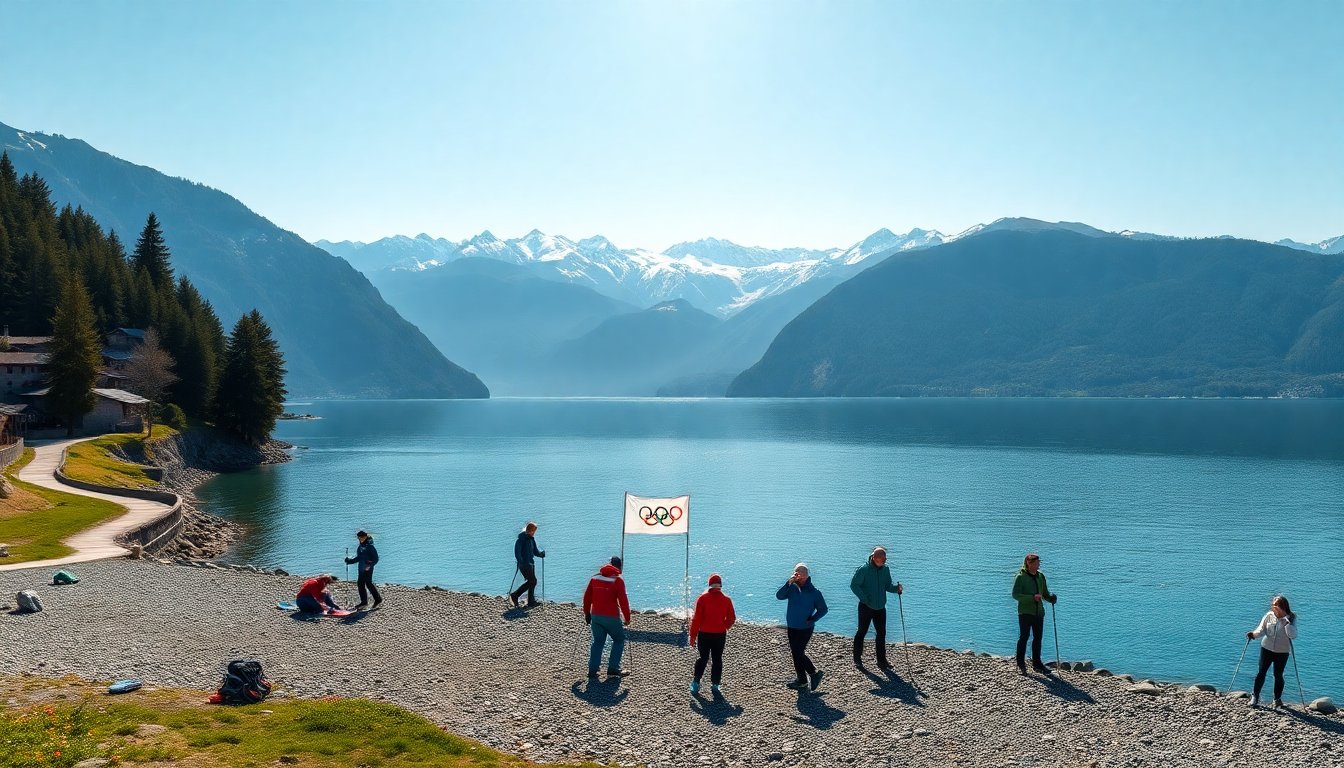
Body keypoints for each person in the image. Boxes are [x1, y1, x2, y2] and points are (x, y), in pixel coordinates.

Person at [850, 545, 904, 670]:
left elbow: (887, 586)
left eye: (885, 559)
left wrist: (897, 589)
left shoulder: (885, 569)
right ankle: (857, 658)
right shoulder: (863, 570)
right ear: (874, 558)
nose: (885, 561)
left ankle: (881, 661)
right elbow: (854, 585)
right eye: (882, 559)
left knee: (881, 633)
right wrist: (864, 599)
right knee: (862, 631)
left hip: (880, 607)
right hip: (866, 607)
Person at [776, 563, 828, 691]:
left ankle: (814, 673)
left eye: (801, 573)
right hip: (792, 626)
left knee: (798, 652)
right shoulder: (792, 588)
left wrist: (812, 619)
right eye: (796, 572)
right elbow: (779, 596)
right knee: (796, 653)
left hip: (805, 628)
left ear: (806, 576)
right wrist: (788, 582)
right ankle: (802, 680)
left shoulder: (815, 592)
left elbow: (823, 609)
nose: (798, 575)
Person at [583, 556, 632, 679]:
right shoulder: (618, 580)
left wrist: (587, 614)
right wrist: (627, 618)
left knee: (598, 642)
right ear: (619, 567)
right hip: (612, 617)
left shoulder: (594, 578)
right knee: (619, 640)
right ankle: (613, 669)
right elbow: (623, 601)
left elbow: (587, 597)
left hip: (596, 616)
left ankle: (593, 670)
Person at [688, 573, 737, 694]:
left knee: (703, 658)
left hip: (704, 634)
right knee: (717, 659)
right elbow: (731, 619)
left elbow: (696, 619)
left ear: (710, 585)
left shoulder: (702, 599)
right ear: (720, 585)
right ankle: (715, 685)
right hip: (720, 634)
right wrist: (724, 626)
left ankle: (696, 682)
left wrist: (692, 636)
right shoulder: (727, 600)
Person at [1011, 552, 1057, 676]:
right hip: (1025, 612)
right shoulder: (1020, 577)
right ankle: (1021, 664)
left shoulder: (1040, 576)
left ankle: (1037, 663)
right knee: (1024, 637)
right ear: (1029, 563)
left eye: (1038, 562)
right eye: (1036, 563)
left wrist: (1051, 598)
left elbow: (1045, 594)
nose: (1038, 565)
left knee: (1038, 638)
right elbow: (1015, 595)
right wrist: (1032, 598)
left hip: (1038, 613)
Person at [1247, 595, 1298, 708]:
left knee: (1278, 675)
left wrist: (1287, 624)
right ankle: (1255, 696)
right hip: (1266, 648)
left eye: (1276, 606)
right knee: (1261, 672)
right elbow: (1261, 630)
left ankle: (1277, 699)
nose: (1273, 607)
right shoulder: (1269, 616)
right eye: (1273, 605)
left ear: (1283, 607)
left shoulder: (1291, 618)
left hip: (1282, 651)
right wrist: (1253, 635)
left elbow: (1293, 635)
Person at [509, 522, 546, 608]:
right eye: (533, 531)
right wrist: (521, 561)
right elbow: (517, 553)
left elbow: (535, 552)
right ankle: (515, 595)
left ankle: (530, 602)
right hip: (524, 565)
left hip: (531, 564)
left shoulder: (531, 540)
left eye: (534, 531)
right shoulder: (521, 540)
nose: (534, 533)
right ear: (529, 530)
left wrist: (541, 554)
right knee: (532, 581)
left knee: (532, 582)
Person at [344, 530, 382, 609]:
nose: (359, 539)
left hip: (367, 568)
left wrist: (369, 565)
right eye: (358, 538)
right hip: (361, 568)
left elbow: (376, 559)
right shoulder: (360, 546)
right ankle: (371, 601)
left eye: (361, 537)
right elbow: (359, 558)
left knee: (366, 583)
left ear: (365, 537)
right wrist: (350, 561)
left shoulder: (370, 546)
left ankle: (370, 601)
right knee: (362, 584)